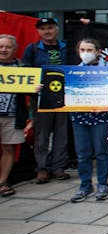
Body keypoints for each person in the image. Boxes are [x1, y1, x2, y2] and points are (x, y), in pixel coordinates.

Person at [22, 17, 70, 184]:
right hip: (41, 99)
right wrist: (33, 85)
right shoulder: (32, 49)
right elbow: (25, 71)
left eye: (50, 28)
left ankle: (58, 167)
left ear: (56, 29)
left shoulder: (66, 47)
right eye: (43, 29)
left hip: (63, 97)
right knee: (41, 135)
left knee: (61, 134)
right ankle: (41, 169)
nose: (47, 31)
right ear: (38, 31)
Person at [69, 39, 108, 202]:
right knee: (82, 154)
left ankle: (103, 184)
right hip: (80, 116)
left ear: (98, 51)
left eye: (89, 49)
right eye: (82, 49)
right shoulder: (73, 71)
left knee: (101, 152)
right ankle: (85, 185)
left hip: (101, 116)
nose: (85, 52)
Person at [0, 34, 29, 197]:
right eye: (1, 46)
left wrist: (34, 88)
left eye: (8, 47)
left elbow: (30, 91)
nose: (4, 50)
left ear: (15, 49)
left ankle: (3, 182)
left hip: (12, 115)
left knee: (8, 147)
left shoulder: (22, 67)